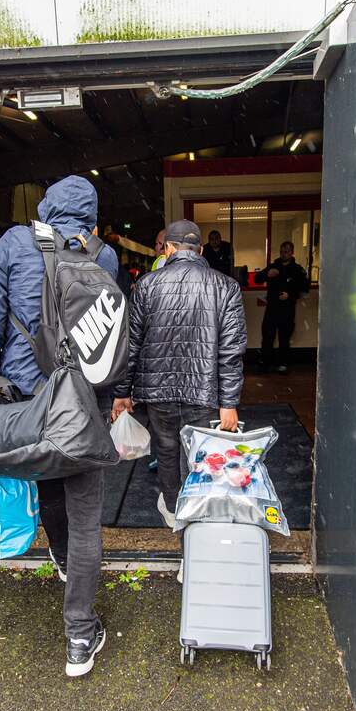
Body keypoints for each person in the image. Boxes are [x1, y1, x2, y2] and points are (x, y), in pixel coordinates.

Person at [0, 176, 119, 678]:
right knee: (85, 515)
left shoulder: (13, 243)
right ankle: (80, 633)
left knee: (47, 482)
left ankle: (59, 558)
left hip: (26, 399)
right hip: (80, 404)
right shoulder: (106, 257)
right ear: (92, 218)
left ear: (46, 209)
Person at [112, 219, 246, 541]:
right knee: (199, 456)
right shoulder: (226, 287)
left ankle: (174, 513)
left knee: (168, 451)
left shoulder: (146, 285)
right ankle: (197, 526)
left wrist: (122, 392)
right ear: (199, 249)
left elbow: (131, 345)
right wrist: (229, 403)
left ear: (168, 248)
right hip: (204, 392)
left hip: (157, 392)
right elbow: (232, 352)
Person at [255, 240, 310, 372]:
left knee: (284, 337)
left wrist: (290, 295)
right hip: (272, 308)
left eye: (286, 252)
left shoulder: (297, 270)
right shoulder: (274, 266)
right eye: (282, 252)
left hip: (287, 309)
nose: (284, 254)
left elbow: (304, 288)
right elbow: (257, 279)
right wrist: (267, 274)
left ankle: (283, 363)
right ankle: (265, 362)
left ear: (292, 252)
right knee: (268, 336)